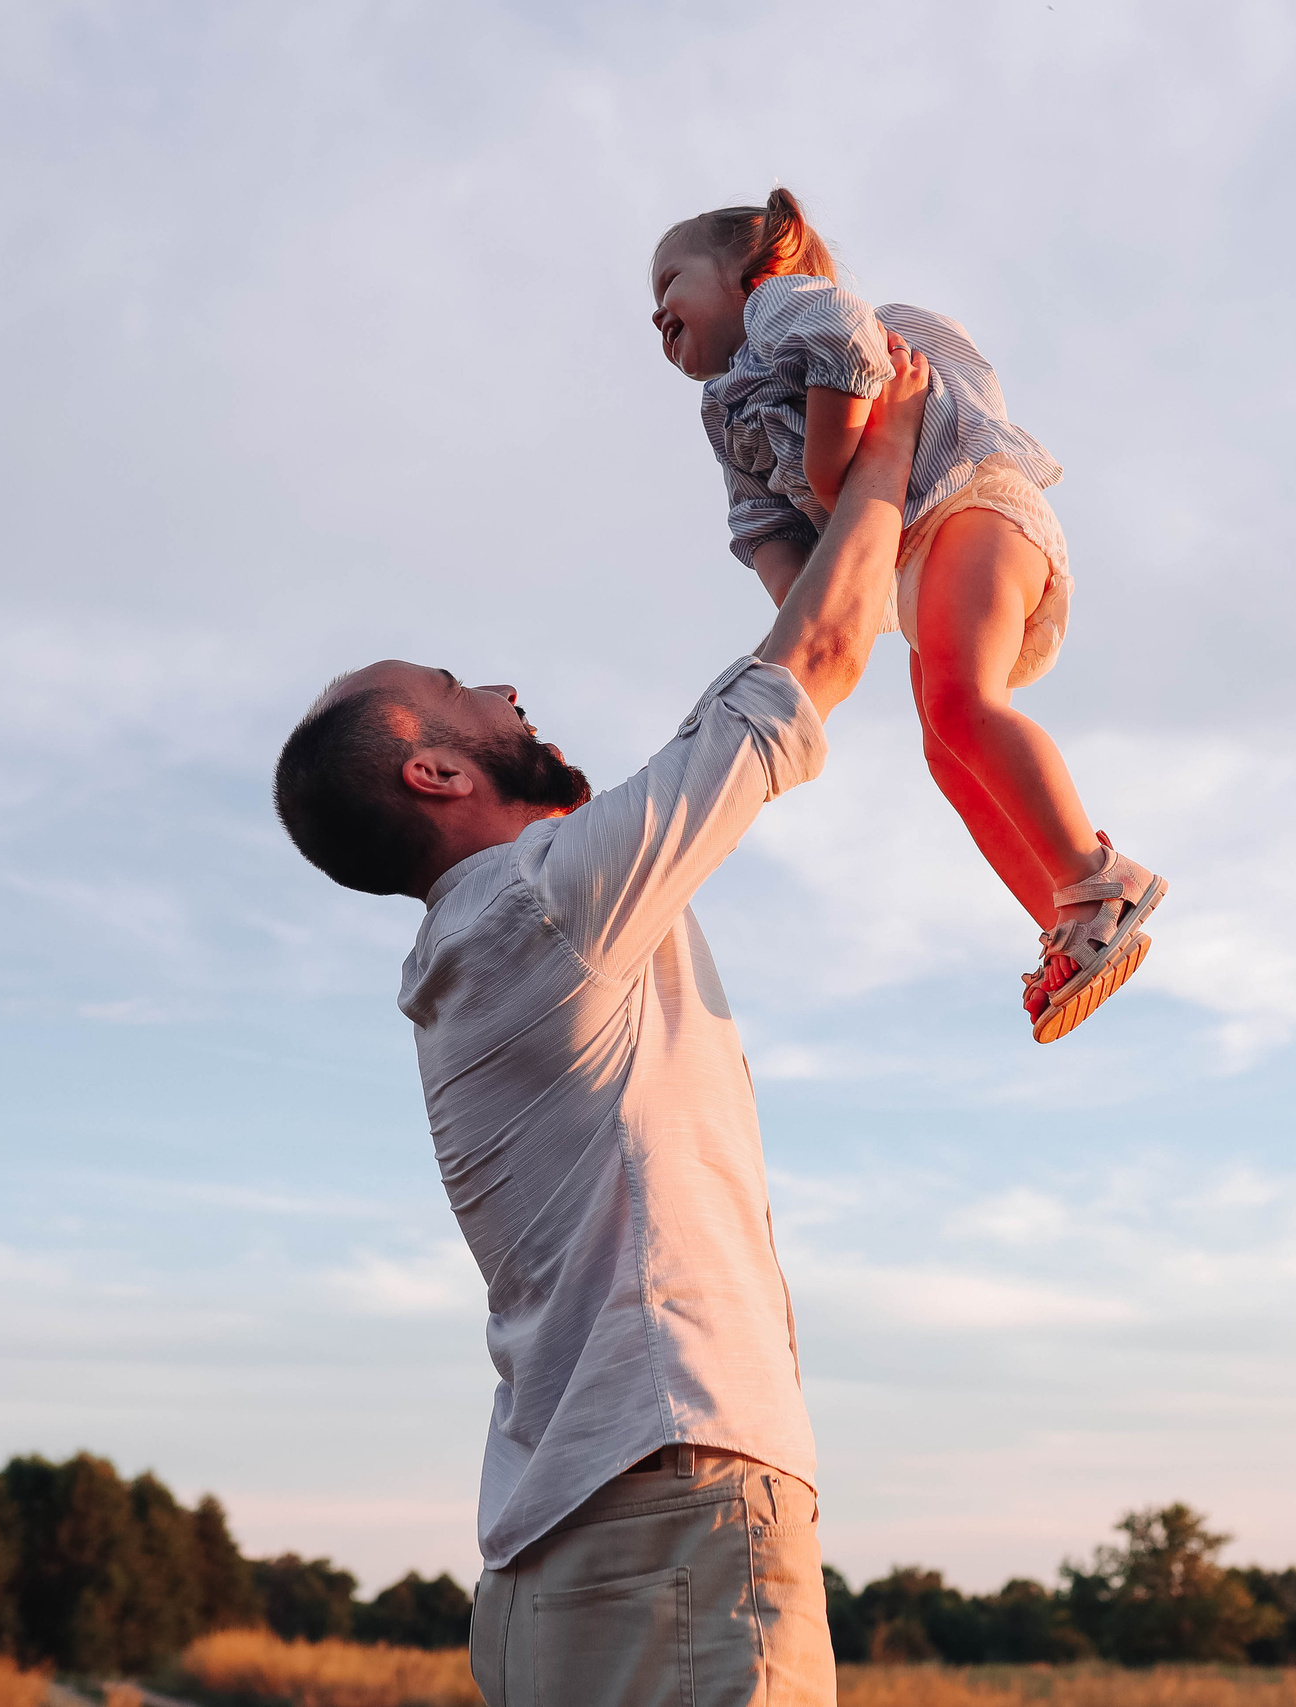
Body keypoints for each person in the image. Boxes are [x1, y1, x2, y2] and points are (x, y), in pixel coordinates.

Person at [271, 344, 935, 1706]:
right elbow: (802, 667)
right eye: (465, 688)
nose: (507, 690)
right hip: (671, 1509)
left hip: (566, 1550)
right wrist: (902, 437)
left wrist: (789, 520)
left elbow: (771, 677)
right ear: (437, 766)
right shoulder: (538, 911)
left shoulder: (500, 937)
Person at [651, 188, 1167, 1044]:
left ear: (751, 269)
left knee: (966, 704)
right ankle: (1071, 924)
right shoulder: (724, 412)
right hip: (915, 555)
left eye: (670, 282)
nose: (657, 314)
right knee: (945, 746)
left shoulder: (784, 305)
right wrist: (805, 617)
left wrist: (830, 475)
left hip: (970, 503)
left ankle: (1100, 876)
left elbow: (846, 346)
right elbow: (760, 527)